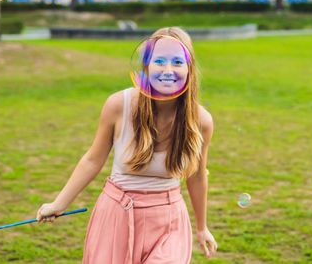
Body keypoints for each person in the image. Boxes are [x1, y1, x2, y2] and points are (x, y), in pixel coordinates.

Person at [36, 27, 217, 263]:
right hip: (117, 216)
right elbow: (93, 159)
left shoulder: (200, 120)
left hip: (169, 221)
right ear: (146, 66)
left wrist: (202, 228)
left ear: (189, 69)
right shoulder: (118, 105)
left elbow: (197, 175)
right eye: (159, 61)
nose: (168, 70)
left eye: (177, 62)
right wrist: (59, 203)